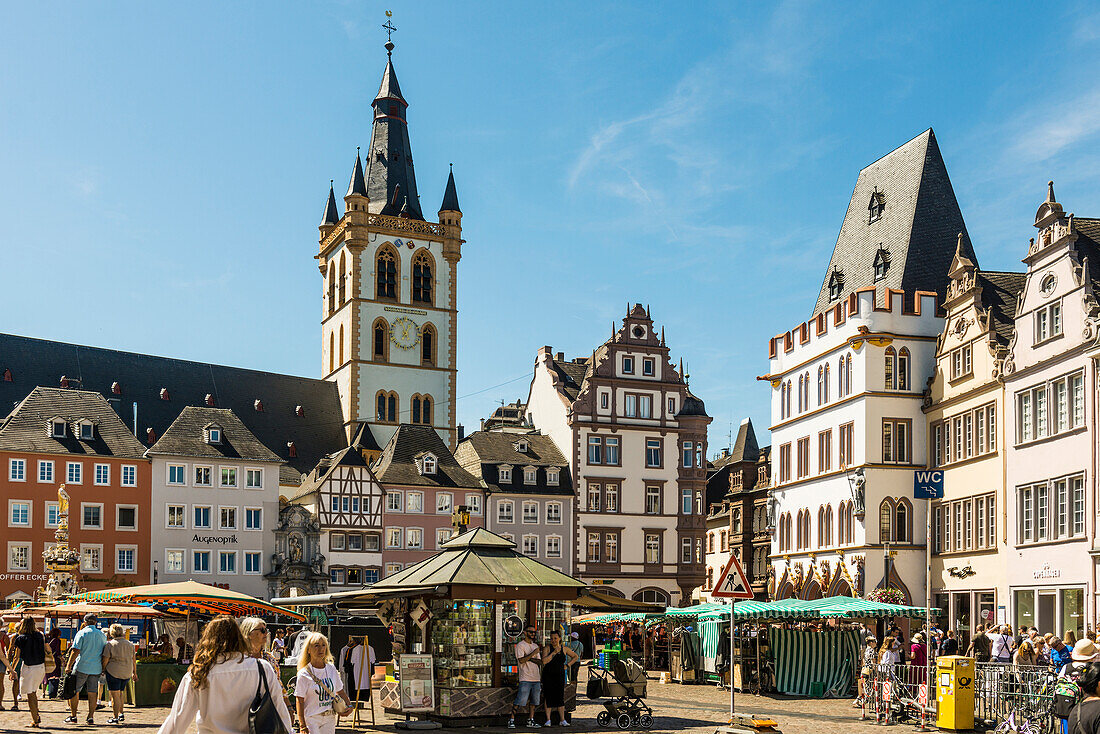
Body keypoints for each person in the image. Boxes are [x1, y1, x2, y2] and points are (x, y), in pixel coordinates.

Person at [158, 616, 293, 734]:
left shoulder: (198, 673)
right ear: (239, 638)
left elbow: (177, 719)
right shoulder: (261, 668)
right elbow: (279, 711)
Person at [294, 632, 351, 734]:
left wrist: (349, 706)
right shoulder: (304, 674)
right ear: (308, 650)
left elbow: (340, 690)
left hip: (329, 718)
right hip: (312, 719)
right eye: (316, 645)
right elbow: (299, 700)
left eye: (323, 645)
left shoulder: (331, 668)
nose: (321, 649)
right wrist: (302, 725)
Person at [64, 613, 107, 726]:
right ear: (95, 622)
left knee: (75, 690)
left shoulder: (82, 633)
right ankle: (90, 716)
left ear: (85, 622)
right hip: (96, 667)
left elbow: (75, 650)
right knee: (92, 692)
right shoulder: (102, 635)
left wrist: (68, 665)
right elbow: (104, 652)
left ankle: (73, 716)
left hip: (82, 666)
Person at [7, 617, 46, 727]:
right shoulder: (40, 636)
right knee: (33, 692)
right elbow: (47, 649)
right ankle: (36, 714)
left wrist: (12, 670)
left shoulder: (21, 638)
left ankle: (35, 720)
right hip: (40, 667)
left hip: (29, 667)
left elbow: (17, 657)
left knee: (30, 694)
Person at [541, 631, 579, 726]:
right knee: (548, 696)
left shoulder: (564, 649)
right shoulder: (547, 648)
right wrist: (554, 653)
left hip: (559, 675)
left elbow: (575, 656)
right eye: (552, 638)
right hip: (548, 675)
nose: (553, 640)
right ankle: (548, 719)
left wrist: (568, 665)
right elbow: (544, 661)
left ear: (559, 638)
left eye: (555, 638)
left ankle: (562, 719)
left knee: (559, 696)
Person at [102, 623, 137, 725]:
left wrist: (103, 669)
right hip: (126, 672)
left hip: (114, 672)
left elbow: (105, 659)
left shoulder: (110, 645)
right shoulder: (130, 645)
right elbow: (133, 660)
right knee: (120, 693)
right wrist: (135, 673)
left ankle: (115, 717)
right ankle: (121, 713)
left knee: (115, 696)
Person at [509, 625, 543, 728]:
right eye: (531, 632)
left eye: (534, 632)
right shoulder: (520, 645)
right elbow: (521, 660)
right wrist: (533, 654)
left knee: (534, 701)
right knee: (520, 700)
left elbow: (539, 662)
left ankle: (531, 719)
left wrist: (529, 657)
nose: (533, 634)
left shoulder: (535, 646)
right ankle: (511, 720)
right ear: (525, 632)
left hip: (536, 677)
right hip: (525, 677)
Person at [345, 636, 377, 709]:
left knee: (358, 687)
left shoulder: (368, 649)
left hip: (358, 676)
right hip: (363, 675)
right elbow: (373, 661)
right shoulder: (355, 650)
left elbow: (351, 662)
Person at [855, 636, 877, 708]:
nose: (876, 643)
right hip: (869, 671)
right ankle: (859, 701)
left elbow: (863, 661)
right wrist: (875, 670)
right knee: (867, 688)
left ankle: (858, 701)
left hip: (864, 669)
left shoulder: (866, 650)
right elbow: (873, 661)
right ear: (871, 643)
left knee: (864, 687)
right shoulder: (871, 650)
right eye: (874, 642)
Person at [45, 628, 62, 698]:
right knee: (55, 676)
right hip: (55, 660)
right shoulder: (57, 641)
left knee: (48, 675)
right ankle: (53, 692)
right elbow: (57, 651)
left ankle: (45, 692)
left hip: (47, 659)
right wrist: (62, 659)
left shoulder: (47, 640)